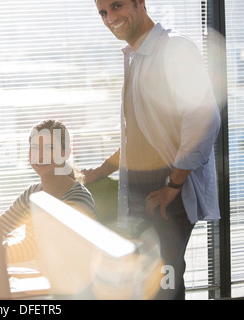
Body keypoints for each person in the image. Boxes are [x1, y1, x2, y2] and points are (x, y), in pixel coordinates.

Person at [82, 0, 221, 299]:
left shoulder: (174, 49)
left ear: (141, 3)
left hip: (167, 192)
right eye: (103, 13)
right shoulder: (136, 57)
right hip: (142, 192)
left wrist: (173, 185)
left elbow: (204, 119)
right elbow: (138, 137)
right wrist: (101, 171)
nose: (111, 18)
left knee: (164, 284)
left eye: (117, 6)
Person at [0, 119, 98, 263]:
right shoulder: (31, 194)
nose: (40, 156)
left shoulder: (78, 199)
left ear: (66, 153)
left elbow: (36, 248)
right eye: (34, 147)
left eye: (49, 148)